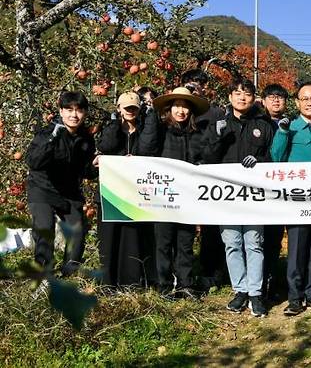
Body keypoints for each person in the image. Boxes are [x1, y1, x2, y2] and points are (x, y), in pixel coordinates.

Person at [203, 78, 273, 317]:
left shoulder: (263, 125)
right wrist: (217, 136)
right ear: (230, 97)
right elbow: (207, 158)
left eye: (247, 94)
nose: (242, 98)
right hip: (227, 196)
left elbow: (271, 158)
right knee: (232, 243)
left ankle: (255, 292)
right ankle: (240, 290)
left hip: (254, 195)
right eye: (238, 93)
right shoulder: (220, 124)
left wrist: (260, 162)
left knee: (254, 243)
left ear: (254, 98)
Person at [271, 81, 311, 316]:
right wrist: (281, 132)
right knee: (297, 249)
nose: (310, 102)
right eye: (305, 98)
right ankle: (295, 297)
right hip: (298, 200)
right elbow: (276, 158)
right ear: (297, 102)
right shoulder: (289, 128)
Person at [138, 87, 210, 298]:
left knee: (185, 241)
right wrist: (151, 115)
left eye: (186, 107)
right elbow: (146, 149)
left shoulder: (196, 133)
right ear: (169, 108)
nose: (181, 111)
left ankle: (185, 284)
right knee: (163, 242)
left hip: (187, 196)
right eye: (177, 106)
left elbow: (204, 157)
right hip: (162, 196)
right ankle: (164, 285)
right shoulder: (161, 129)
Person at [26, 91, 96, 277]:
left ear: (85, 113)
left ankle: (70, 274)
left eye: (79, 110)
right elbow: (33, 162)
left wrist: (95, 167)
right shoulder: (48, 132)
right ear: (61, 111)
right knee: (44, 229)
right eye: (69, 110)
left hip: (69, 192)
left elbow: (85, 171)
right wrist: (52, 140)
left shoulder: (86, 139)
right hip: (42, 188)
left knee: (77, 230)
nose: (74, 115)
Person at [96, 92, 156, 287]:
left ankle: (130, 283)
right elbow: (106, 146)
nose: (130, 111)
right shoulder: (110, 128)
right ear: (119, 108)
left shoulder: (144, 130)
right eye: (126, 107)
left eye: (134, 108)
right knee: (109, 239)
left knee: (131, 238)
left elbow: (149, 150)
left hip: (134, 195)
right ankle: (107, 283)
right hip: (110, 194)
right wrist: (114, 124)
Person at [181, 69, 226, 293]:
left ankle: (212, 274)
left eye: (200, 84)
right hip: (181, 178)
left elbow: (219, 147)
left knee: (211, 229)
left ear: (206, 88)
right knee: (182, 230)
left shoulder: (215, 113)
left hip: (208, 177)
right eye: (190, 84)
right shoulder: (178, 111)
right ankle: (182, 275)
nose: (195, 87)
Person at [260, 83, 290, 300]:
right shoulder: (256, 123)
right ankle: (258, 281)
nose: (276, 101)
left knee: (274, 237)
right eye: (271, 97)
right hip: (260, 189)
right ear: (263, 100)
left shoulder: (292, 124)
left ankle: (271, 277)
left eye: (280, 97)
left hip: (285, 189)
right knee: (258, 237)